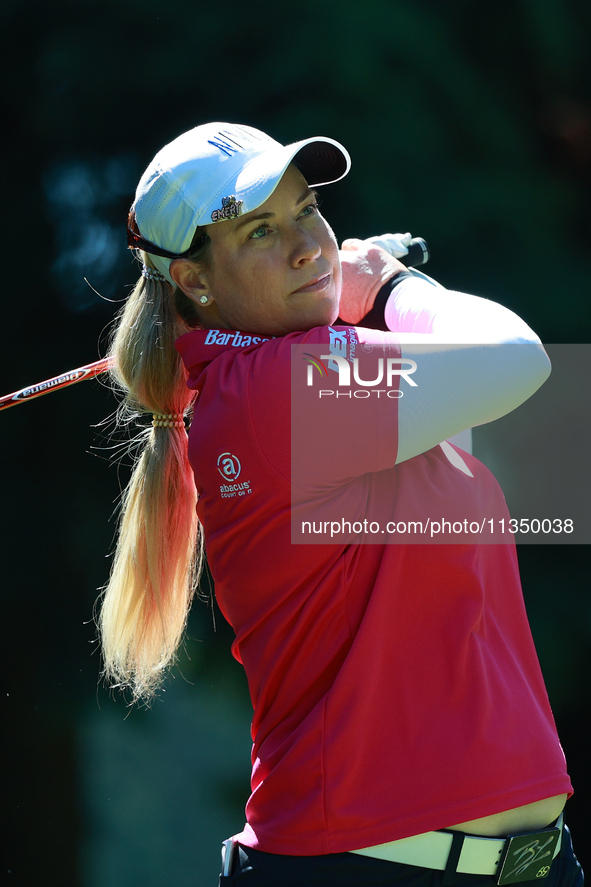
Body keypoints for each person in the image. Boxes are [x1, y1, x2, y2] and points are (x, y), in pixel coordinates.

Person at [100, 122, 582, 886]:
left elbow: (477, 402)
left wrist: (359, 304)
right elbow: (517, 361)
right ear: (194, 280)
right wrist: (393, 286)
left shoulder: (280, 382)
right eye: (260, 229)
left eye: (306, 210)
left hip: (522, 866)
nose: (305, 245)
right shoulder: (278, 390)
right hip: (368, 866)